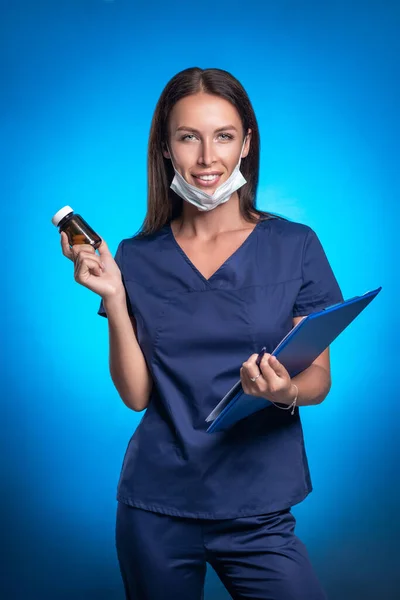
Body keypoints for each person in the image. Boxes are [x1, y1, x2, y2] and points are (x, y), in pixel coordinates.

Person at [61, 67, 343, 599]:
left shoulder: (296, 244)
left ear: (246, 144)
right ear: (166, 148)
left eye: (224, 136)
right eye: (189, 137)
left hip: (258, 508)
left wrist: (285, 393)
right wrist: (116, 298)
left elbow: (320, 379)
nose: (207, 158)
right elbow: (136, 395)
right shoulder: (136, 257)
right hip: (156, 505)